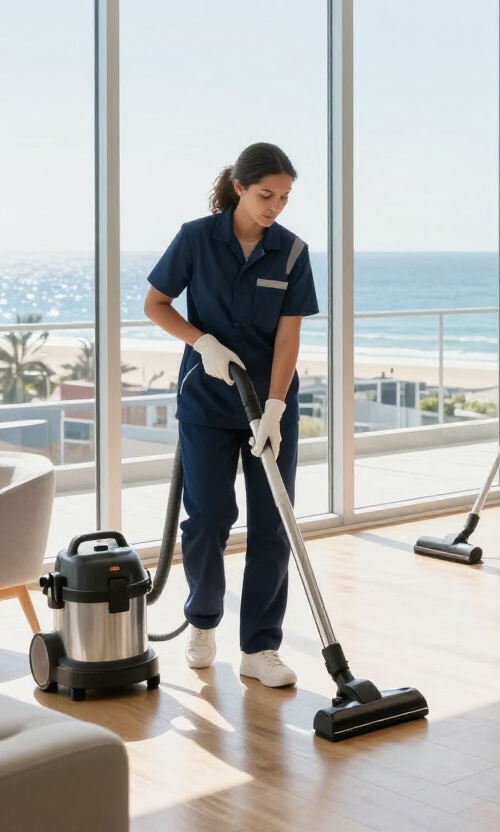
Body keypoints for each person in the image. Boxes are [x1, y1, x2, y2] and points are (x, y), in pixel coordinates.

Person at [144, 143, 319, 687]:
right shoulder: (197, 237)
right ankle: (201, 622)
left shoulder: (291, 252)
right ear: (240, 187)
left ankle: (260, 648)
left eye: (285, 198)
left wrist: (274, 406)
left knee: (272, 524)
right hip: (206, 401)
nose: (275, 207)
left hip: (268, 405)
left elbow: (289, 334)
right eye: (266, 195)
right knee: (209, 518)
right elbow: (156, 303)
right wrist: (202, 343)